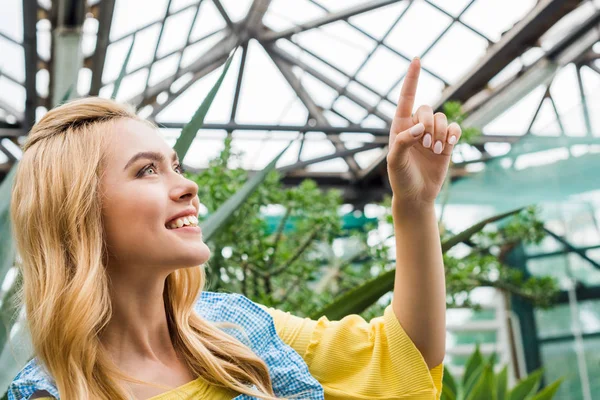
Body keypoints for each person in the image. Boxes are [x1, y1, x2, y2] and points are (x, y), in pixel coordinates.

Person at [7, 57, 460, 399]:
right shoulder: (46, 394)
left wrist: (414, 205)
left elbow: (404, 358)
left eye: (176, 166)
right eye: (147, 170)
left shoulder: (238, 329)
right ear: (79, 212)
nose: (187, 186)